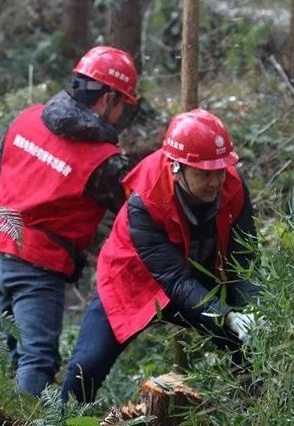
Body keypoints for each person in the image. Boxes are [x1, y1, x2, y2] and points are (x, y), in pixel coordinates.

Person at [60, 108, 259, 403]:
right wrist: (226, 315)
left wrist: (250, 311)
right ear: (176, 167)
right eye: (204, 174)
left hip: (199, 281)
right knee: (86, 365)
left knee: (251, 344)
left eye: (219, 170)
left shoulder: (233, 185)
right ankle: (61, 417)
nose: (216, 181)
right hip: (133, 281)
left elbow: (244, 257)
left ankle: (253, 408)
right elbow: (175, 280)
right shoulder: (146, 199)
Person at [0, 46, 140, 396]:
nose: (121, 115)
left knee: (14, 356)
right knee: (36, 359)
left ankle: (0, 414)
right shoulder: (105, 162)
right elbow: (138, 214)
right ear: (108, 99)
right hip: (37, 269)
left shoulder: (26, 117)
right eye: (123, 106)